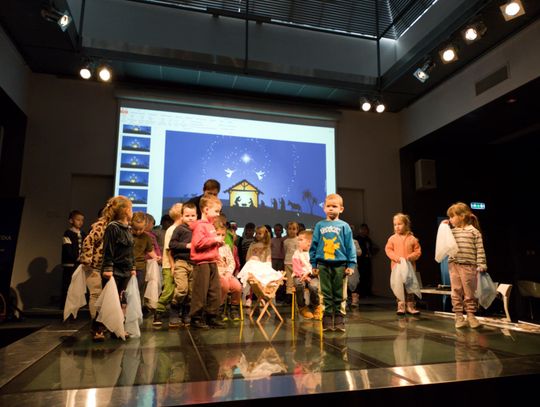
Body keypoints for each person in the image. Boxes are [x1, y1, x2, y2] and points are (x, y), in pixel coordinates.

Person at [79, 196, 129, 341]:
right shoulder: (102, 226)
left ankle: (111, 326)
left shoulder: (120, 226)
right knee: (97, 295)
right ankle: (97, 328)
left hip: (112, 268)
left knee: (113, 298)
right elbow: (88, 241)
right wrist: (87, 259)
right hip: (96, 267)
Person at [309, 194, 356, 332]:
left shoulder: (344, 226)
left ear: (341, 209)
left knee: (340, 292)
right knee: (325, 292)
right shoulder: (319, 225)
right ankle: (327, 318)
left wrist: (351, 265)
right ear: (324, 208)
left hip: (340, 265)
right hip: (323, 264)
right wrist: (314, 264)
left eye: (334, 206)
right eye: (328, 206)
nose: (331, 209)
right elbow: (314, 245)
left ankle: (339, 318)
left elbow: (350, 246)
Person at [446, 202, 487, 329]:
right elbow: (444, 244)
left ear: (462, 216)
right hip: (454, 264)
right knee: (456, 290)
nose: (450, 219)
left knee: (470, 292)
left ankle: (471, 315)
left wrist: (482, 264)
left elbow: (480, 249)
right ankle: (458, 316)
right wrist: (444, 228)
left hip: (469, 265)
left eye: (452, 216)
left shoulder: (474, 232)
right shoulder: (451, 232)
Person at [100, 196, 137, 339]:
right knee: (109, 301)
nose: (132, 211)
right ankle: (98, 329)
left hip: (125, 270)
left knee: (121, 301)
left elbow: (130, 250)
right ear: (125, 210)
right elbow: (108, 249)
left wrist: (132, 267)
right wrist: (108, 268)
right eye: (131, 209)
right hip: (114, 270)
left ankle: (117, 328)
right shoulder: (113, 227)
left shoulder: (128, 228)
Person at [189, 194, 226, 329]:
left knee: (214, 290)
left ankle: (212, 316)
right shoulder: (200, 226)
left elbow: (209, 244)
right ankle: (196, 318)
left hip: (211, 261)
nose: (218, 214)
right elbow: (198, 243)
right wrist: (214, 240)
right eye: (216, 211)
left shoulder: (210, 226)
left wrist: (217, 250)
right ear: (206, 210)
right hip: (202, 263)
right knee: (201, 291)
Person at [384, 213, 422, 315]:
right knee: (399, 286)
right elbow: (388, 250)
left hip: (410, 268)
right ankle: (401, 306)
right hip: (397, 267)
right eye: (395, 224)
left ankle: (410, 306)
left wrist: (410, 257)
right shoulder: (392, 238)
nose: (397, 226)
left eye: (399, 224)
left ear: (406, 225)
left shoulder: (412, 238)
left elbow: (418, 251)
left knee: (410, 286)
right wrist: (396, 258)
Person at [167, 202, 198, 327]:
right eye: (187, 216)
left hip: (194, 263)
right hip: (181, 262)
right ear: (182, 216)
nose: (190, 218)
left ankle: (186, 313)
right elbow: (172, 245)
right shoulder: (179, 229)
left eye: (193, 215)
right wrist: (186, 246)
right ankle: (174, 311)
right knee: (182, 289)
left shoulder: (197, 229)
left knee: (191, 291)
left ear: (197, 216)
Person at [153, 203, 182, 327]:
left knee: (178, 289)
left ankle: (175, 313)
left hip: (177, 265)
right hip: (168, 265)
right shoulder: (172, 230)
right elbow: (168, 249)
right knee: (168, 290)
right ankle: (158, 312)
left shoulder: (181, 229)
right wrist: (172, 265)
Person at [215, 222, 242, 321]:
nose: (221, 237)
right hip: (216, 274)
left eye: (223, 235)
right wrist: (220, 274)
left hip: (226, 273)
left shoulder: (226, 247)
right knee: (224, 286)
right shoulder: (211, 247)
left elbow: (231, 262)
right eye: (218, 234)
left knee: (237, 287)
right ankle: (220, 309)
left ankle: (234, 309)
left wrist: (229, 272)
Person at [292, 230, 321, 320]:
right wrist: (302, 276)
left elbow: (317, 266)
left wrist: (309, 274)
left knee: (314, 286)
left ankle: (316, 305)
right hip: (299, 275)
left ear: (309, 242)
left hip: (312, 275)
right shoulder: (297, 253)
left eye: (301, 240)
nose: (298, 242)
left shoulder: (315, 253)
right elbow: (296, 267)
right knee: (299, 284)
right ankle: (302, 306)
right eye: (298, 240)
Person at [131, 212, 160, 301]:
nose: (138, 232)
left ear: (145, 226)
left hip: (141, 267)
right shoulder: (128, 235)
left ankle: (138, 306)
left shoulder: (146, 237)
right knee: (128, 289)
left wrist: (155, 257)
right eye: (135, 229)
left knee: (139, 287)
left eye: (141, 229)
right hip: (128, 266)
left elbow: (149, 250)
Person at [61, 210, 86, 307]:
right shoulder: (68, 233)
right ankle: (65, 305)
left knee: (78, 284)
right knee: (68, 283)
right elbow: (67, 248)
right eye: (78, 220)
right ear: (71, 221)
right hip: (70, 264)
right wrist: (76, 258)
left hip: (80, 264)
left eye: (82, 220)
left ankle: (77, 304)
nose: (80, 222)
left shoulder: (83, 234)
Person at [355, 223, 378, 297]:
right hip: (359, 261)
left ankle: (368, 292)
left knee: (368, 276)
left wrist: (371, 253)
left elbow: (372, 248)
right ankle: (360, 293)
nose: (364, 231)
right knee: (360, 276)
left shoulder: (368, 239)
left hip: (367, 260)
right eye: (363, 229)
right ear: (359, 230)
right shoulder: (356, 239)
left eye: (366, 229)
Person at [283, 221, 300, 304]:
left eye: (294, 229)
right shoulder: (285, 241)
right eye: (289, 229)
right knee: (289, 281)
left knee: (297, 280)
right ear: (286, 230)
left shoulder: (299, 240)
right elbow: (286, 251)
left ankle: (298, 298)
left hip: (297, 264)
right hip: (287, 263)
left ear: (297, 230)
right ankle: (289, 297)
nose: (291, 231)